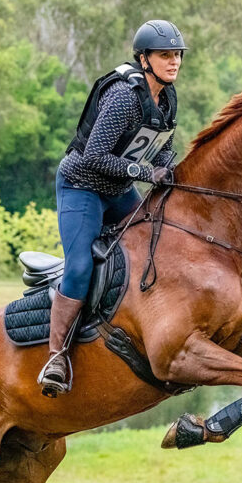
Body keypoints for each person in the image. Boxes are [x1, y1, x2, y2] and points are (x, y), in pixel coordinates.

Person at [37, 20, 187, 397]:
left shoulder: (167, 98)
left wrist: (167, 166)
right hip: (81, 187)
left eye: (177, 55)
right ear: (144, 58)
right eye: (165, 55)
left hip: (118, 191)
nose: (173, 62)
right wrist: (143, 171)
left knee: (157, 239)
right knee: (81, 266)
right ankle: (56, 356)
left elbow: (162, 147)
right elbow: (93, 157)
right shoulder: (123, 96)